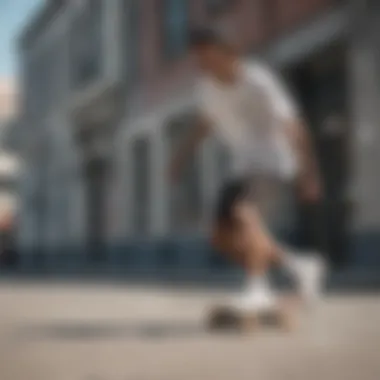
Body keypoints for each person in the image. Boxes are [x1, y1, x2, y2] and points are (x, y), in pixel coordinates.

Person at [168, 28, 325, 313]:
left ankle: (258, 290)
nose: (205, 67)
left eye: (209, 59)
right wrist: (180, 158)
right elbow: (205, 123)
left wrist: (308, 173)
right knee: (221, 238)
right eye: (200, 61)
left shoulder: (258, 80)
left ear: (229, 55)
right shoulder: (207, 87)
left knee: (245, 215)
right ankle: (299, 265)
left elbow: (293, 125)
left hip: (273, 163)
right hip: (243, 167)